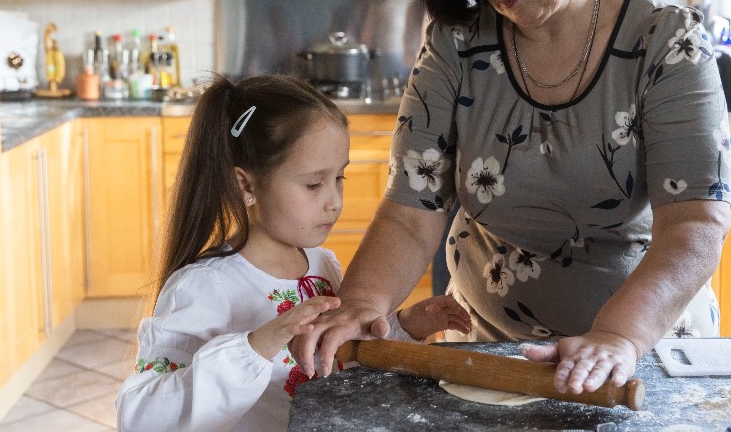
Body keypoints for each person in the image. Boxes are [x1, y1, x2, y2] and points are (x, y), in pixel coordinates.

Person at [292, 0, 731, 397]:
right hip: (487, 346)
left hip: (641, 354)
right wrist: (363, 303)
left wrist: (619, 337)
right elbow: (410, 210)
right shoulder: (455, 44)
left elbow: (695, 225)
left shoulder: (666, 44)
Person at [116, 74, 471, 432]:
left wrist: (402, 327)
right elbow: (144, 417)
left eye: (339, 179)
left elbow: (341, 358)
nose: (334, 201)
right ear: (246, 185)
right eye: (314, 184)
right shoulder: (201, 287)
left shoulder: (322, 265)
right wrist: (255, 347)